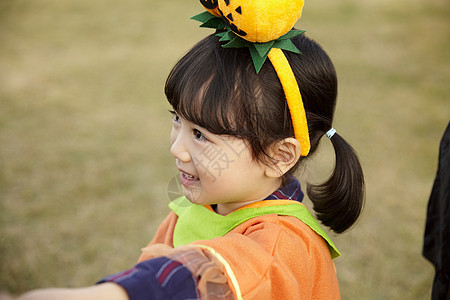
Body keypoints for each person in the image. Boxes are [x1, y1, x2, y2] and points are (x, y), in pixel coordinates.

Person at [17, 1, 365, 299]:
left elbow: (201, 277)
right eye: (177, 120)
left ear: (279, 155)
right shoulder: (203, 204)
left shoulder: (281, 244)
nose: (177, 149)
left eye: (200, 135)